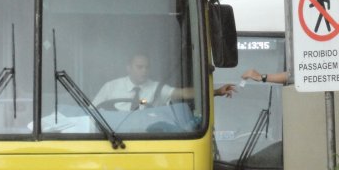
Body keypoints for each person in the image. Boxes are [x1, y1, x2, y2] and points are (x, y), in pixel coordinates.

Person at [93, 54, 235, 111]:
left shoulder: (157, 88)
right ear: (128, 68)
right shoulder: (110, 87)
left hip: (149, 139)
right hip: (111, 137)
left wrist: (216, 92)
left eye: (147, 67)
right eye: (139, 67)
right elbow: (92, 112)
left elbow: (184, 93)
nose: (144, 71)